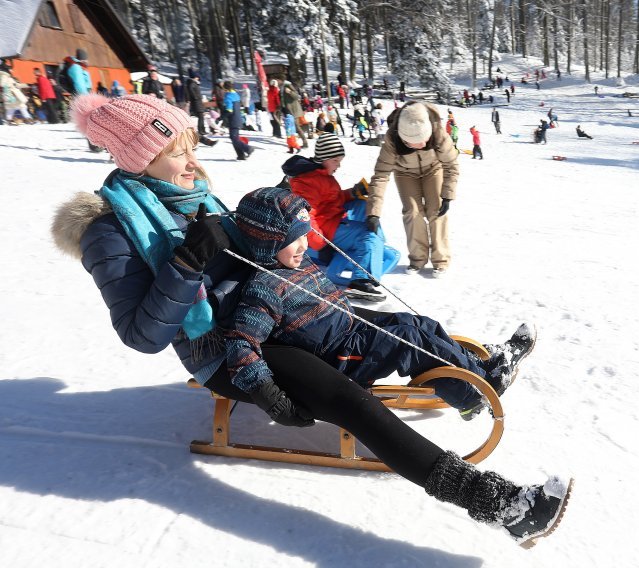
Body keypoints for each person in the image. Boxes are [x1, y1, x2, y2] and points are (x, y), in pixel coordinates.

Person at [52, 93, 572, 549]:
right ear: (139, 158)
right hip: (226, 349)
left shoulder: (194, 195)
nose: (194, 160)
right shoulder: (110, 232)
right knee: (352, 404)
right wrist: (186, 264)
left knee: (380, 324)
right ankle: (502, 505)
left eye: (191, 145)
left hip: (277, 312)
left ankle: (475, 373)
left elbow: (254, 252)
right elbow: (141, 336)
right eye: (177, 152)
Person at [229, 185, 535, 422]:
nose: (304, 245)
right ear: (267, 241)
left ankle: (479, 368)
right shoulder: (264, 288)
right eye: (292, 239)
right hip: (337, 363)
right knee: (409, 339)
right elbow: (240, 344)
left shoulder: (294, 263)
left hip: (349, 336)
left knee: (416, 323)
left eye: (304, 236)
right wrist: (267, 394)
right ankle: (471, 397)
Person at [282, 132, 394, 301]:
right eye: (335, 161)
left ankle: (374, 247)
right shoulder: (307, 181)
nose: (338, 166)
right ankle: (360, 281)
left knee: (364, 205)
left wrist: (352, 193)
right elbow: (305, 215)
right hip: (326, 229)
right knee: (367, 235)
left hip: (332, 220)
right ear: (323, 158)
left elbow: (331, 200)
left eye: (339, 161)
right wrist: (321, 245)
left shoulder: (321, 176)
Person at [365, 101, 458, 277]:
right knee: (412, 212)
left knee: (436, 210)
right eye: (414, 143)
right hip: (405, 173)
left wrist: (447, 195)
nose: (421, 145)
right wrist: (373, 212)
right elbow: (381, 175)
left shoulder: (438, 133)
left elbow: (451, 164)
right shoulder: (392, 140)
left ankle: (441, 260)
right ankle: (417, 259)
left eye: (423, 140)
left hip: (434, 170)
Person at [223, 80, 255, 160]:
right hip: (238, 119)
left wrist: (221, 117)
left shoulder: (228, 96)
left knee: (234, 139)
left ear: (225, 88)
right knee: (234, 138)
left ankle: (248, 148)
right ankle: (241, 155)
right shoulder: (235, 94)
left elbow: (229, 110)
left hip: (233, 120)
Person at [186, 69, 217, 147]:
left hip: (198, 102)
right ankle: (201, 131)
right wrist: (197, 98)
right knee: (200, 117)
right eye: (197, 77)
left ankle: (202, 131)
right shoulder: (192, 84)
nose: (198, 78)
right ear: (194, 77)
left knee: (201, 117)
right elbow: (192, 93)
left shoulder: (194, 84)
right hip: (196, 103)